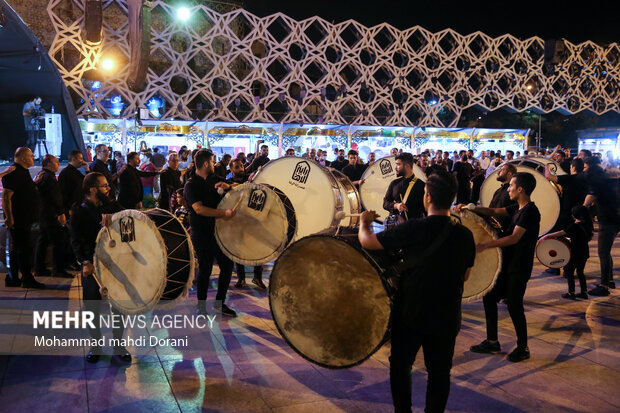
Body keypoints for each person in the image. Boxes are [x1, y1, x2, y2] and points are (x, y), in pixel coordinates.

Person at [358, 170, 475, 413]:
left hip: (411, 312)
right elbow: (465, 275)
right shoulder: (464, 234)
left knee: (401, 365)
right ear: (452, 198)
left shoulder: (414, 228)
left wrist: (364, 222)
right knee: (440, 371)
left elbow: (368, 241)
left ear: (428, 197)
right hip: (447, 314)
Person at [463, 172, 540, 362]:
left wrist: (484, 245)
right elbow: (494, 212)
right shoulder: (518, 207)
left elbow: (514, 238)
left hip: (518, 267)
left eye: (512, 186)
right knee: (489, 298)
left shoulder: (530, 211)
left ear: (520, 189)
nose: (509, 189)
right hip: (507, 264)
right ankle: (492, 341)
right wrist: (469, 207)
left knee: (514, 306)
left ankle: (523, 347)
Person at [69, 172, 130, 363]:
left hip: (115, 264)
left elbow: (129, 228)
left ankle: (119, 345)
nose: (108, 188)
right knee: (92, 307)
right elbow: (75, 239)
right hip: (92, 265)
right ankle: (96, 346)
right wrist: (84, 262)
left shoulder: (113, 206)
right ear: (92, 189)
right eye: (104, 186)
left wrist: (117, 219)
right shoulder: (79, 210)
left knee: (119, 306)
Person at [184, 149, 237, 317]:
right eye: (213, 162)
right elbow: (199, 209)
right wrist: (224, 213)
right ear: (206, 163)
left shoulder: (216, 179)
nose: (214, 164)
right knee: (205, 270)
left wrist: (228, 186)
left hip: (221, 233)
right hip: (202, 234)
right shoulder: (191, 184)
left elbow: (237, 187)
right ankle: (201, 307)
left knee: (227, 267)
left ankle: (219, 304)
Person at [2, 148, 44, 288]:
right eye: (31, 156)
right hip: (20, 220)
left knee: (21, 248)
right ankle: (25, 278)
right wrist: (9, 218)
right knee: (23, 249)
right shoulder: (14, 173)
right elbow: (6, 197)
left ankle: (15, 278)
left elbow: (24, 191)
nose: (33, 158)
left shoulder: (22, 172)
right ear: (24, 158)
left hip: (26, 219)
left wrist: (35, 182)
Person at [226, 159, 266, 289]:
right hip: (238, 221)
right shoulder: (229, 182)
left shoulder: (251, 179)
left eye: (242, 166)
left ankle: (257, 277)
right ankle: (241, 278)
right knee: (239, 251)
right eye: (237, 167)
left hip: (253, 220)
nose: (241, 169)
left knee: (258, 250)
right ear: (231, 169)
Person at [583, 158, 620, 296]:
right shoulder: (611, 181)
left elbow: (590, 198)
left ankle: (604, 286)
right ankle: (608, 280)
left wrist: (581, 209)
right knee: (606, 252)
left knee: (603, 253)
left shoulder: (596, 183)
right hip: (616, 218)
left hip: (608, 220)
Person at [34, 155, 71, 278]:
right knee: (58, 241)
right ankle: (58, 269)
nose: (58, 164)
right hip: (51, 215)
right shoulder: (48, 177)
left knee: (43, 241)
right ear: (49, 163)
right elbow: (54, 197)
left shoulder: (42, 175)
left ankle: (39, 268)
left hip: (44, 214)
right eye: (56, 162)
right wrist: (60, 213)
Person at [544, 206, 592, 299]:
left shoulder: (574, 226)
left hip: (574, 254)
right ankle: (584, 292)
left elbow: (561, 232)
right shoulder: (587, 225)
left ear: (574, 216)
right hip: (584, 253)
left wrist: (547, 235)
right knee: (580, 272)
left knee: (569, 272)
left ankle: (571, 293)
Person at [383, 152, 425, 223]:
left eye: (398, 164)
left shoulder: (421, 185)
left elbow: (425, 209)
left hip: (414, 228)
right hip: (396, 228)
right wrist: (396, 205)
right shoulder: (394, 183)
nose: (395, 168)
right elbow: (385, 203)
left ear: (407, 166)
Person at [488, 163, 517, 235]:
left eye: (502, 170)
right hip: (492, 230)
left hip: (504, 233)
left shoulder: (513, 193)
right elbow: (490, 209)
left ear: (509, 174)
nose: (498, 172)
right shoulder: (498, 191)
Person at [58, 149, 89, 214]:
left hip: (78, 207)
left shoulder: (76, 172)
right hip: (72, 209)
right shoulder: (65, 173)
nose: (82, 161)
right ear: (73, 159)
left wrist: (87, 169)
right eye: (81, 158)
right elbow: (63, 193)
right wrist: (68, 208)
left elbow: (88, 181)